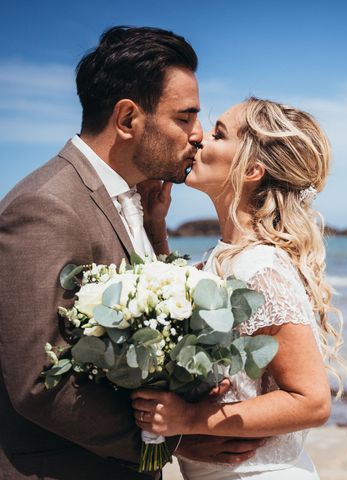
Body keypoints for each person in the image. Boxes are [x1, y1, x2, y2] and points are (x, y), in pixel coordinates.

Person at [0, 26, 262, 480]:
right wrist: (171, 439)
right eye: (185, 118)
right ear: (127, 120)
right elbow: (38, 384)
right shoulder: (46, 207)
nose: (198, 135)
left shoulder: (132, 201)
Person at [131, 98, 344, 479]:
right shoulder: (227, 256)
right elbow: (175, 316)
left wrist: (191, 418)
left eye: (218, 134)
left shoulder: (259, 267)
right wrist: (156, 230)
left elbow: (312, 402)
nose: (198, 139)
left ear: (251, 170)